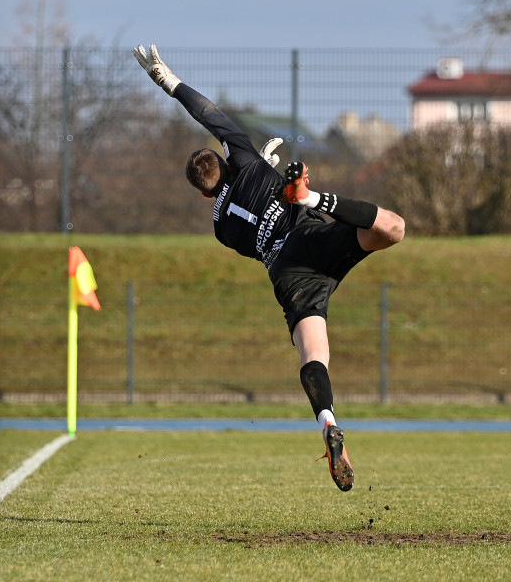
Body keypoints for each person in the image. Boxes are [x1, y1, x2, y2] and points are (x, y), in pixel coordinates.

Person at [133, 45, 405, 491]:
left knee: (313, 353)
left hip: (286, 274)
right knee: (392, 228)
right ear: (224, 159)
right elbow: (209, 113)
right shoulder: (241, 157)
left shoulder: (219, 227)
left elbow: (246, 213)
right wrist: (169, 82)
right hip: (308, 235)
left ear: (203, 195)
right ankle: (316, 199)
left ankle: (328, 421)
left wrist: (265, 173)